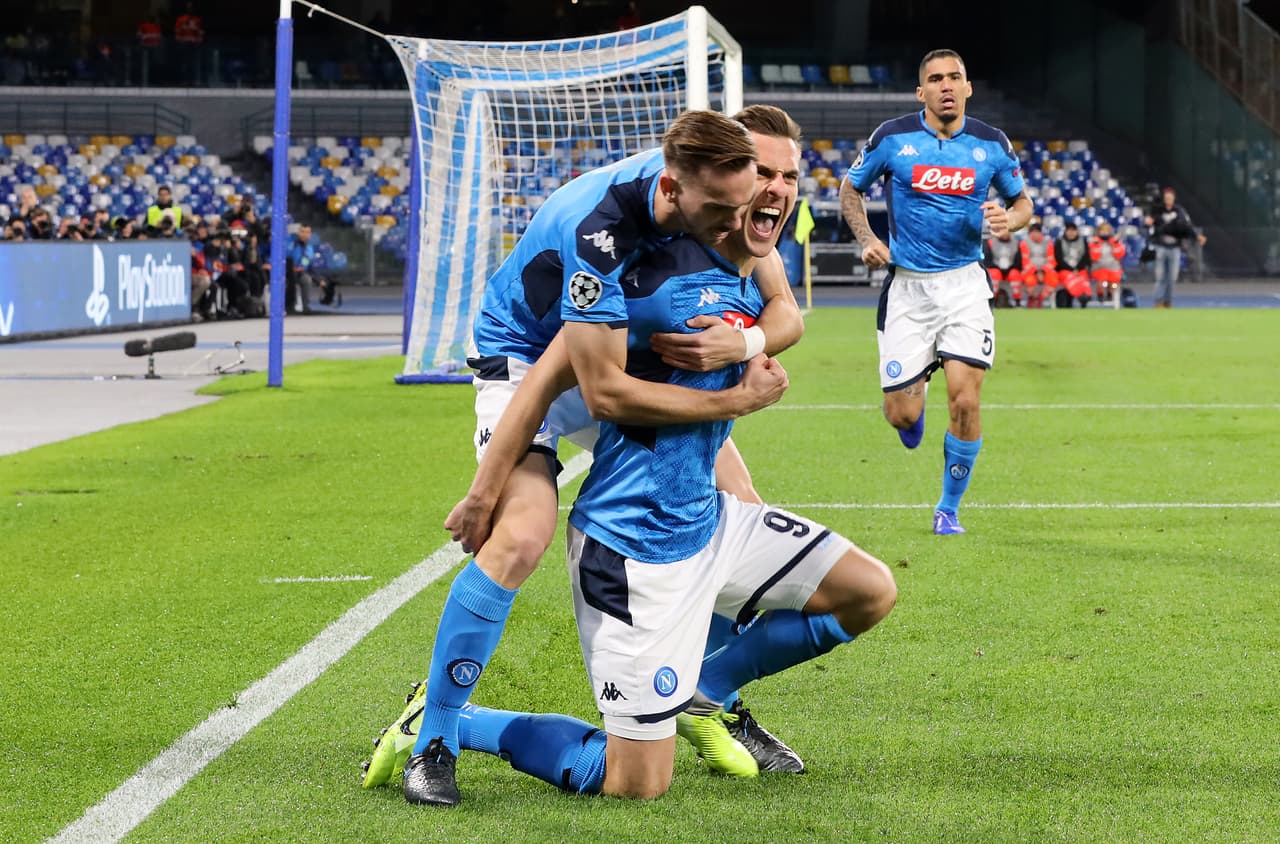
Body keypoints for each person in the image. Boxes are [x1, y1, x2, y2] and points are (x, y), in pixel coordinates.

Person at [402, 133, 893, 804]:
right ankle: (435, 730)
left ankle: (704, 695)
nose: (755, 211)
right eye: (748, 194)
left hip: (611, 348)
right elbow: (582, 388)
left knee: (739, 499)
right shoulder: (605, 238)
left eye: (780, 180)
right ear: (679, 192)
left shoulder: (719, 199)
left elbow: (785, 310)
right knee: (520, 534)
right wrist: (483, 493)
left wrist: (742, 341)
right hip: (528, 354)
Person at [839, 48, 1032, 535]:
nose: (946, 85)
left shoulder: (991, 143)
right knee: (902, 416)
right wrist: (867, 240)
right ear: (920, 91)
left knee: (965, 400)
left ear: (968, 88)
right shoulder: (892, 137)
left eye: (955, 77)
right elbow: (850, 188)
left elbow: (1023, 202)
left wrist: (1010, 220)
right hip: (908, 289)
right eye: (936, 78)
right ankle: (913, 405)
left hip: (965, 286)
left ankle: (948, 507)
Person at [1144, 186, 1205, 308]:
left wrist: (1197, 236)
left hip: (1175, 247)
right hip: (1161, 246)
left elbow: (1187, 226)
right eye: (1166, 198)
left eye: (1170, 198)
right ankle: (1158, 301)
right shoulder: (1157, 211)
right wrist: (1147, 223)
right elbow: (1148, 224)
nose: (1168, 200)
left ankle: (1167, 301)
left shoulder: (1179, 211)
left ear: (1173, 198)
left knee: (1172, 277)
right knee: (1160, 276)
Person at [1017, 221, 1057, 308]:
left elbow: (1051, 260)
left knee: (1053, 280)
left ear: (1041, 233)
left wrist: (1043, 271)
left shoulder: (1048, 242)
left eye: (1037, 232)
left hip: (1045, 271)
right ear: (1030, 233)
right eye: (1033, 232)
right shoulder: (1024, 243)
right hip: (1030, 271)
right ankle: (1032, 298)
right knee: (1030, 281)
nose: (1035, 234)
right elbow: (1024, 261)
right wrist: (1036, 272)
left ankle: (1040, 298)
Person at [1053, 220, 1092, 308]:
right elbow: (1059, 259)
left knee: (1083, 280)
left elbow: (1086, 257)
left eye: (1073, 230)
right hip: (1064, 270)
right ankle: (1080, 296)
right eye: (1069, 230)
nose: (1071, 233)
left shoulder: (1083, 241)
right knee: (1070, 279)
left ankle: (1086, 296)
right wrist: (1071, 270)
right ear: (1065, 231)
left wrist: (1077, 269)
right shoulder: (1059, 242)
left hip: (1080, 269)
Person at [1088, 220, 1126, 303]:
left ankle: (1112, 295)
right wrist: (1096, 244)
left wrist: (1115, 243)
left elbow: (1119, 255)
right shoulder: (1093, 242)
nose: (1105, 232)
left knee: (1114, 282)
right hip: (1099, 267)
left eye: (1107, 230)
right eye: (1103, 230)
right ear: (1098, 231)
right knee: (1102, 280)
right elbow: (1094, 257)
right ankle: (1100, 295)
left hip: (1114, 268)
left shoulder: (1116, 242)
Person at [982, 228, 1021, 306]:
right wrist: (997, 268)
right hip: (995, 267)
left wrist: (1010, 268)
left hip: (1010, 268)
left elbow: (1018, 261)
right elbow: (987, 261)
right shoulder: (991, 242)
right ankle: (993, 300)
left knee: (1015, 274)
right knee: (994, 274)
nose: (1005, 233)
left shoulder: (1016, 243)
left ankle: (1017, 301)